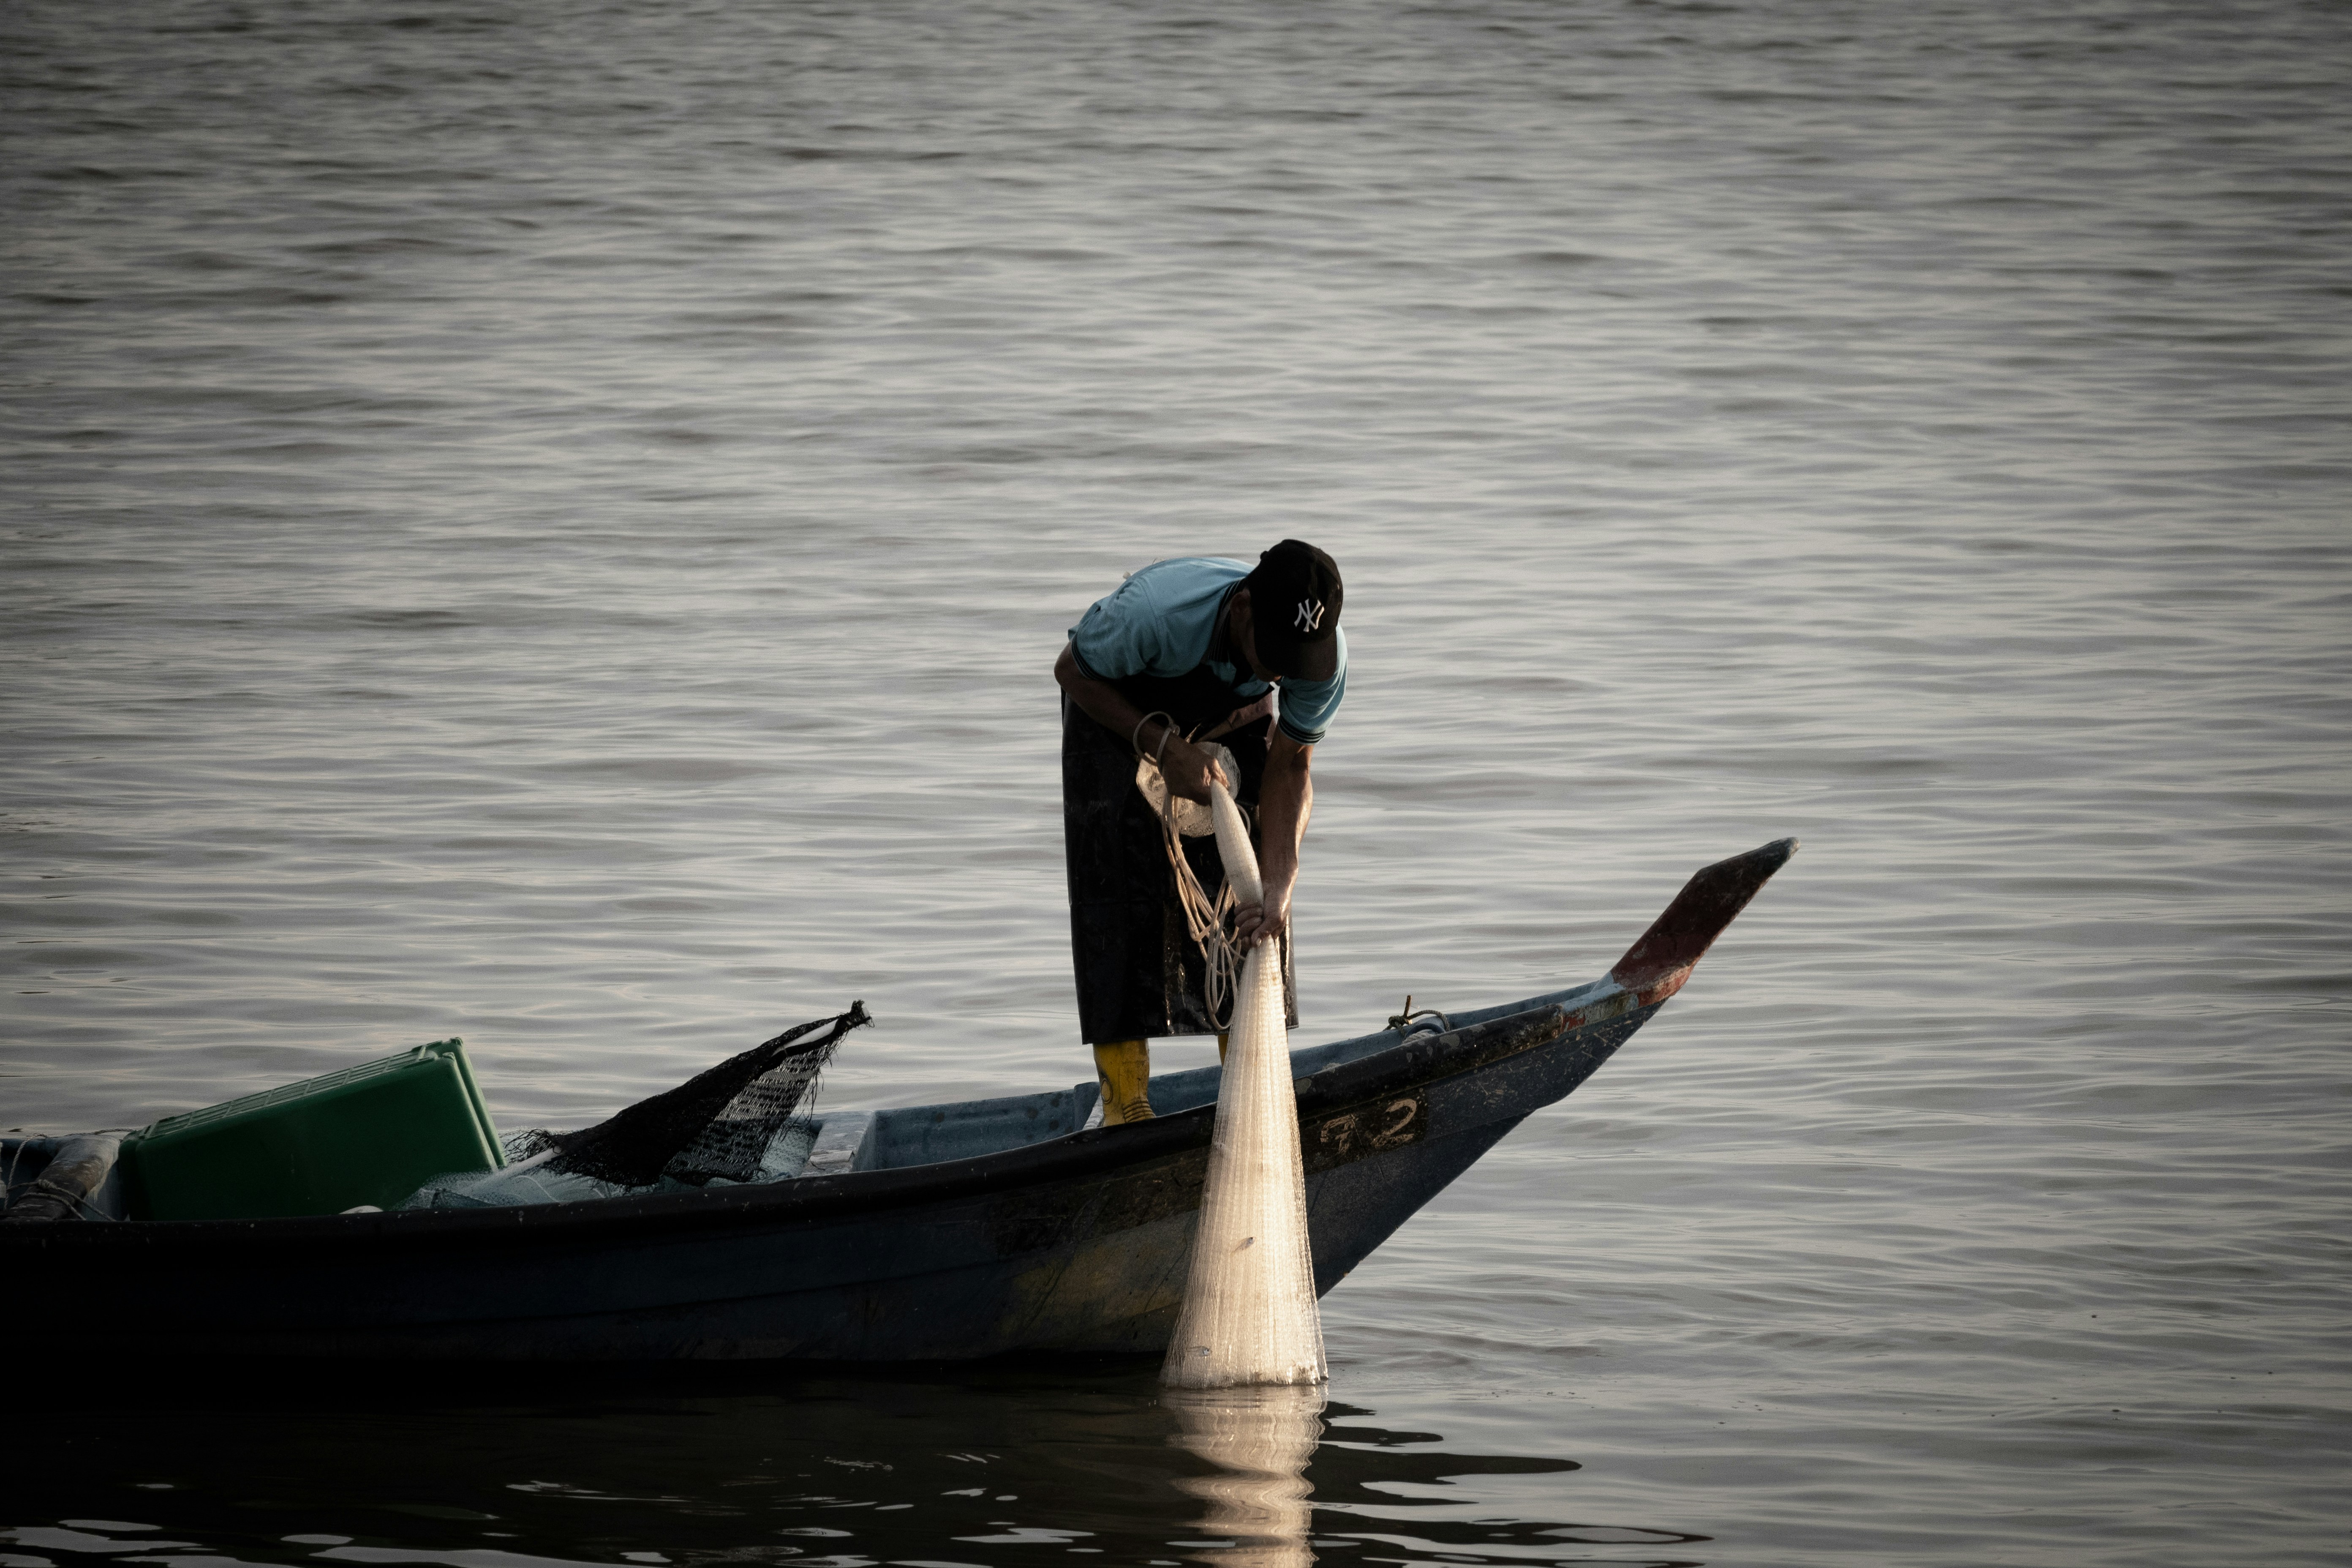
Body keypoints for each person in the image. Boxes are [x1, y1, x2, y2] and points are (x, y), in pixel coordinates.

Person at [1056, 541, 1346, 1124]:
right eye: (1276, 655)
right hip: (1118, 704)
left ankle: (1251, 1092)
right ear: (1242, 610)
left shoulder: (1321, 657)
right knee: (1117, 892)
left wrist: (1280, 883)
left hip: (1234, 717)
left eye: (1299, 661)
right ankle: (1127, 1105)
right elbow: (1072, 671)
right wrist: (1162, 745)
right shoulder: (1154, 615)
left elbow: (1291, 767)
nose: (1288, 672)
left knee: (1252, 906)